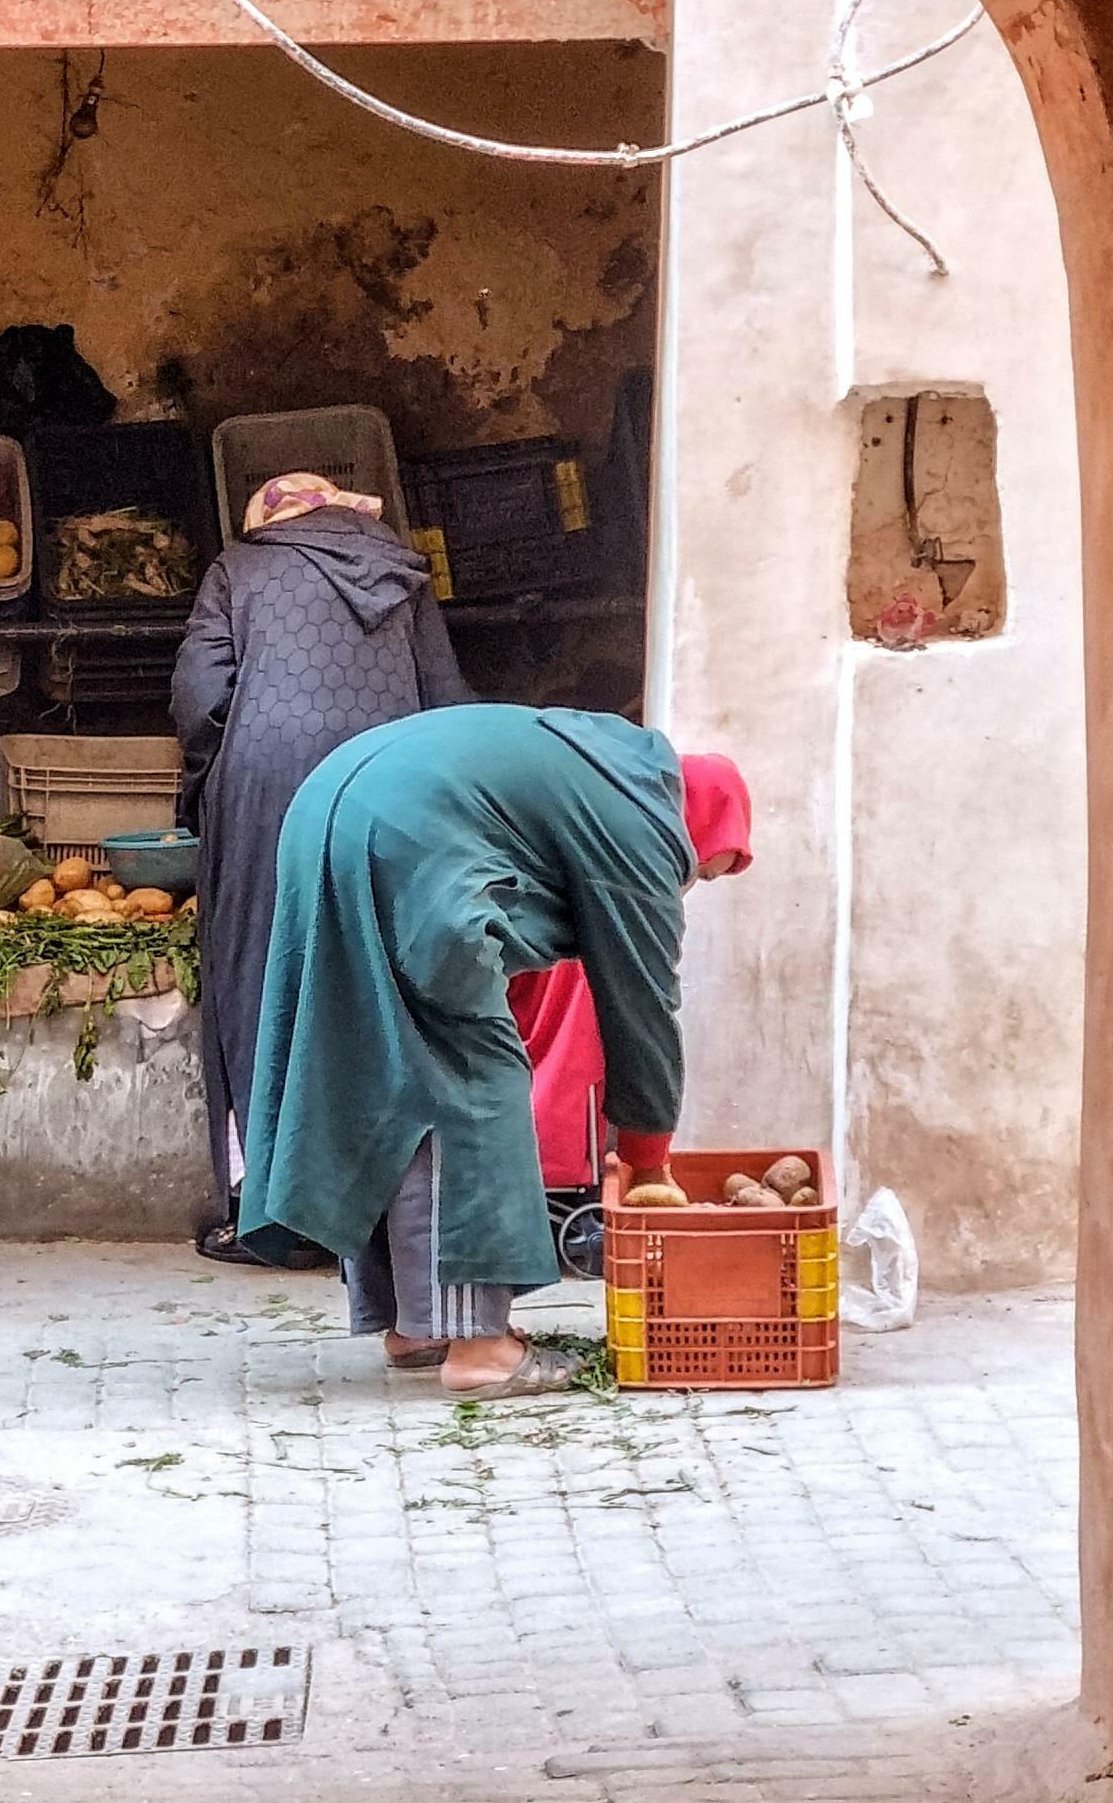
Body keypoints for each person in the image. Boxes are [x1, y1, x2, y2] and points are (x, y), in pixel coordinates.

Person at [238, 708, 752, 1393]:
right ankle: (481, 1351)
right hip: (407, 835)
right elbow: (642, 1008)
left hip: (328, 806)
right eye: (709, 874)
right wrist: (647, 1158)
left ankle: (416, 1323)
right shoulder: (647, 830)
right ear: (700, 829)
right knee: (473, 1078)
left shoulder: (605, 765)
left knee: (391, 1067)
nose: (693, 887)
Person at [171, 470, 466, 1264]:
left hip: (266, 790)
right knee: (382, 986)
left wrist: (207, 788)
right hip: (389, 784)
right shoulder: (403, 573)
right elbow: (446, 699)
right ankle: (385, 1218)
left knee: (259, 977)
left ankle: (275, 1214)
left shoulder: (238, 570)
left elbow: (200, 696)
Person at [507, 749, 755, 1217]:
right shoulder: (621, 903)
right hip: (551, 1157)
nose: (685, 887)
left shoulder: (586, 848)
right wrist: (648, 1158)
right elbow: (642, 1026)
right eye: (698, 871)